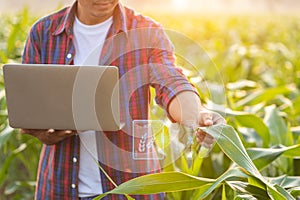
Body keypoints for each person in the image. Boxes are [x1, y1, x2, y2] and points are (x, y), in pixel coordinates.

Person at [20, 0, 226, 199]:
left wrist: (197, 116)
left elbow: (171, 81)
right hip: (59, 187)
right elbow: (28, 105)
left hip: (132, 186)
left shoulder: (146, 31)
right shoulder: (43, 32)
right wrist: (40, 130)